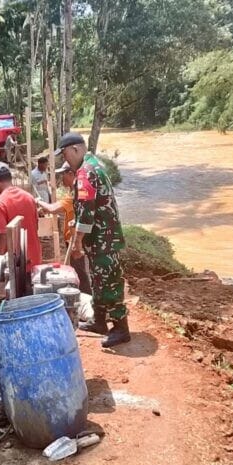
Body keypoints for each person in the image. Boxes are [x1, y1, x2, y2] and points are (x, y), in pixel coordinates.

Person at [56, 132, 130, 348]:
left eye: (65, 154)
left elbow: (87, 213)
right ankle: (99, 321)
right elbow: (86, 210)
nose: (65, 160)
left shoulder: (85, 173)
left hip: (103, 240)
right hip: (101, 238)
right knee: (98, 279)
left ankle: (121, 327)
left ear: (76, 149)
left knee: (109, 281)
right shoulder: (93, 165)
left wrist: (77, 241)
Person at [34, 161, 92, 295]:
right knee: (79, 271)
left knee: (80, 274)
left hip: (76, 240)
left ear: (71, 174)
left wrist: (38, 201)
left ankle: (85, 300)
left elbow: (53, 208)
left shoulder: (74, 196)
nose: (62, 178)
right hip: (74, 239)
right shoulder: (74, 193)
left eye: (63, 174)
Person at [0, 161, 42, 275]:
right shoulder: (29, 197)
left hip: (16, 266)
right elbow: (35, 227)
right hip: (35, 260)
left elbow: (1, 237)